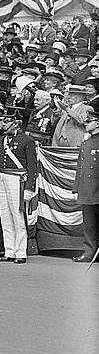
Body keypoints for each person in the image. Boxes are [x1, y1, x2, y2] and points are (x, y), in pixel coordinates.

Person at [0, 106, 38, 264]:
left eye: (6, 121)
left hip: (17, 180)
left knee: (18, 216)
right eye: (2, 121)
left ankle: (21, 252)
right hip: (2, 179)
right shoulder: (1, 140)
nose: (2, 124)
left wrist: (30, 188)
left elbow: (32, 167)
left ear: (16, 123)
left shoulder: (27, 141)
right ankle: (9, 250)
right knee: (5, 215)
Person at [72, 104, 99, 263]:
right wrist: (76, 188)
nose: (86, 124)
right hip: (88, 191)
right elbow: (80, 169)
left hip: (98, 189)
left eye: (89, 122)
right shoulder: (86, 143)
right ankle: (89, 252)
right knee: (89, 225)